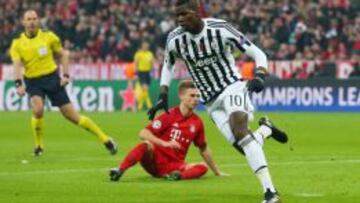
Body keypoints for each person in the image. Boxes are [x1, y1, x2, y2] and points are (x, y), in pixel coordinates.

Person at [147, 1, 288, 202]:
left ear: (196, 13)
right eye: (177, 15)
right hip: (211, 102)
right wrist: (162, 94)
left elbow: (258, 53)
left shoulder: (220, 29)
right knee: (245, 146)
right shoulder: (175, 39)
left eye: (184, 14)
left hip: (232, 87)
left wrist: (259, 76)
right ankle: (266, 129)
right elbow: (167, 66)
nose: (179, 19)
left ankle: (270, 193)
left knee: (240, 130)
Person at [9, 10, 117, 156]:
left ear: (38, 21)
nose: (32, 22)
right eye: (29, 19)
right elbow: (16, 64)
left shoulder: (48, 37)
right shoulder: (17, 43)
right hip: (33, 81)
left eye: (34, 18)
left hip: (52, 78)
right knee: (38, 109)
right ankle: (39, 146)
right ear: (23, 22)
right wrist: (18, 84)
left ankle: (105, 139)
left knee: (72, 116)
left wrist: (65, 75)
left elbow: (64, 54)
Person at [110, 80, 226, 181]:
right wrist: (164, 143)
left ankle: (177, 176)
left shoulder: (197, 122)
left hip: (175, 165)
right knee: (146, 145)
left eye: (197, 96)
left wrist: (217, 172)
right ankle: (120, 170)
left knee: (203, 167)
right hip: (154, 162)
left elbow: (203, 148)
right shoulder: (169, 115)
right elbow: (143, 133)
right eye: (192, 96)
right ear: (181, 96)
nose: (196, 99)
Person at [134, 41, 154, 110]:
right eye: (144, 46)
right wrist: (136, 73)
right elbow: (136, 63)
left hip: (148, 72)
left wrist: (152, 71)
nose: (146, 47)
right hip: (141, 72)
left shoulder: (150, 54)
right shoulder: (138, 54)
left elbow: (152, 63)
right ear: (142, 46)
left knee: (145, 89)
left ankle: (140, 105)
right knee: (145, 88)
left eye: (147, 46)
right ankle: (149, 105)